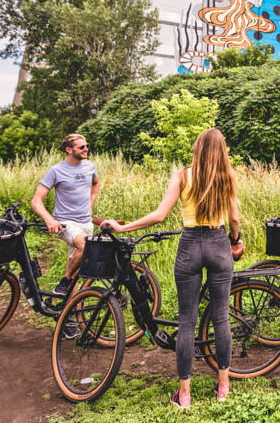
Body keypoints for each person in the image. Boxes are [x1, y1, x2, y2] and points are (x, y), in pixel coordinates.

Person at [101, 128, 240, 407]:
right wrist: (235, 241)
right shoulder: (228, 176)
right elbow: (234, 218)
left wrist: (123, 226)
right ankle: (223, 387)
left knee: (187, 320)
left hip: (190, 245)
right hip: (218, 242)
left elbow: (160, 215)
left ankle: (185, 394)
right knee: (221, 317)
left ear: (197, 148)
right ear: (222, 150)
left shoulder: (182, 175)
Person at [32, 134, 99, 296]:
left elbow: (95, 184)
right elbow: (36, 200)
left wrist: (90, 205)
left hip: (86, 223)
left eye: (86, 146)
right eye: (81, 147)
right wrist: (49, 219)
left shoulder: (90, 166)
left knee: (77, 268)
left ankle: (70, 311)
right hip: (65, 223)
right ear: (69, 150)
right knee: (85, 245)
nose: (86, 149)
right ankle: (65, 280)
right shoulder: (56, 171)